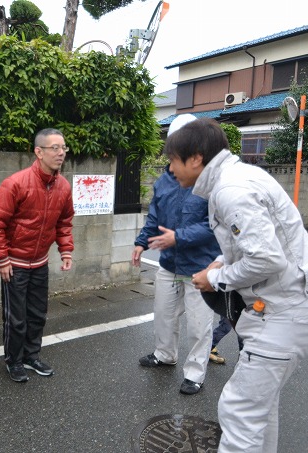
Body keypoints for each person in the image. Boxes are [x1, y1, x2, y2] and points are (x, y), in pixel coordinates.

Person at [166, 118, 308, 452]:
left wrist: (214, 278)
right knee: (259, 412)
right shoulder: (238, 178)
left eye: (172, 159)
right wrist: (222, 261)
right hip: (292, 308)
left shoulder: (231, 190)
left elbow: (268, 259)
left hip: (283, 314)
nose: (170, 168)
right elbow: (260, 246)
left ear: (195, 158)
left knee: (239, 411)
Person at [131, 114, 218, 396]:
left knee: (198, 325)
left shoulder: (211, 183)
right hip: (169, 263)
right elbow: (154, 216)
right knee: (164, 315)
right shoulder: (164, 181)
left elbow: (213, 226)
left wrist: (177, 237)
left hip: (200, 267)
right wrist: (141, 242)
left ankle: (195, 373)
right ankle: (165, 354)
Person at [0, 128, 74, 383]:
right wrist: (2, 258)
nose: (60, 153)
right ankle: (13, 360)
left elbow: (65, 221)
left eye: (63, 147)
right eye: (54, 148)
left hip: (40, 262)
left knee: (38, 313)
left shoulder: (63, 186)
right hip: (14, 263)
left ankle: (31, 355)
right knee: (16, 317)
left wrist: (65, 249)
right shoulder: (15, 183)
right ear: (39, 152)